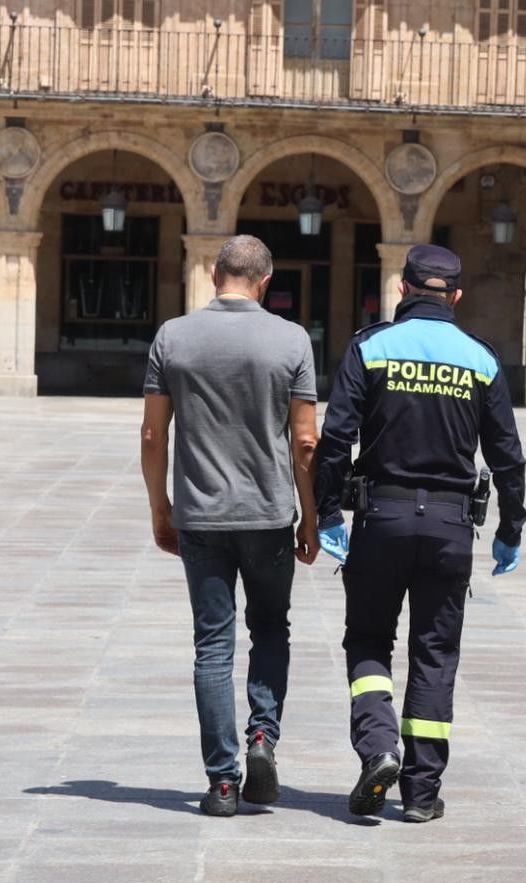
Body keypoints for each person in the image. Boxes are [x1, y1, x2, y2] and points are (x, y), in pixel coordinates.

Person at [313, 244, 526, 823]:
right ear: (456, 296)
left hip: (381, 518)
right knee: (434, 652)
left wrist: (327, 512)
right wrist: (511, 528)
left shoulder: (371, 347)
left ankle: (378, 748)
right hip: (450, 528)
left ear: (402, 288)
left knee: (368, 640)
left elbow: (335, 440)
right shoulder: (480, 359)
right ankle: (422, 794)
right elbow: (507, 456)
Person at [140, 235, 320, 817]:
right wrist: (310, 515)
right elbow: (306, 441)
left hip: (201, 515)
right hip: (269, 515)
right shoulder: (292, 339)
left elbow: (153, 434)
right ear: (265, 282)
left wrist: (160, 508)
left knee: (212, 644)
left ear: (215, 274)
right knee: (270, 629)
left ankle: (222, 782)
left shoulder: (172, 337)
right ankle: (262, 735)